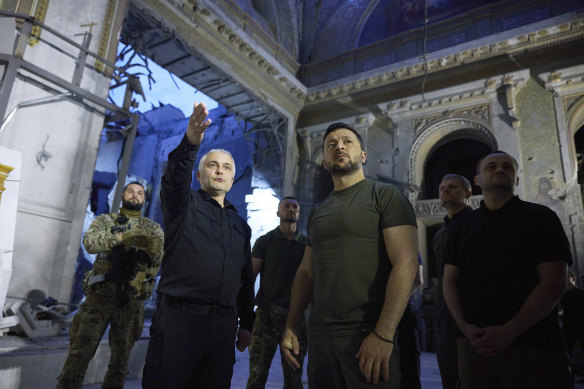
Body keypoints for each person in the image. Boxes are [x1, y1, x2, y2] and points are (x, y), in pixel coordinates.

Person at [281, 122, 419, 388]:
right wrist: (291, 324)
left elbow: (406, 263)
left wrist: (384, 333)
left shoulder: (385, 195)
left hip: (368, 334)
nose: (339, 146)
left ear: (363, 156)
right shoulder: (318, 211)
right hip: (322, 338)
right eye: (331, 144)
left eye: (347, 141)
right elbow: (307, 272)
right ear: (324, 161)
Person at [142, 102, 255, 389]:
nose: (219, 170)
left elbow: (243, 278)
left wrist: (247, 323)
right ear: (199, 175)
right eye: (212, 165)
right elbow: (174, 178)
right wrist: (191, 143)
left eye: (226, 167)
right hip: (179, 323)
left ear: (232, 178)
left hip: (222, 329)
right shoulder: (183, 205)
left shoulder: (241, 226)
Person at [443, 151, 573, 389]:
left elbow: (555, 282)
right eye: (491, 166)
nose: (500, 170)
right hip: (474, 347)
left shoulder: (541, 218)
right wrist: (464, 327)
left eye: (507, 167)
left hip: (533, 347)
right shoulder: (461, 226)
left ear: (517, 180)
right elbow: (450, 280)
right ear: (477, 180)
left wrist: (509, 331)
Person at [56, 182, 164, 389]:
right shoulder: (105, 220)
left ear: (145, 199)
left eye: (140, 193)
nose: (135, 195)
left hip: (131, 300)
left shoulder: (153, 228)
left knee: (120, 362)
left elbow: (158, 257)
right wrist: (121, 237)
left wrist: (149, 247)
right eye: (130, 191)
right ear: (122, 195)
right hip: (100, 296)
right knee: (79, 354)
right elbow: (90, 242)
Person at [246, 196, 308, 389]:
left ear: (299, 213)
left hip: (295, 317)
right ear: (278, 213)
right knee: (257, 375)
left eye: (294, 207)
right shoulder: (266, 241)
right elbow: (251, 276)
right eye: (286, 206)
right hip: (266, 316)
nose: (291, 209)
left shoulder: (307, 245)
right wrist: (245, 315)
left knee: (293, 379)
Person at [431, 174, 472, 389]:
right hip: (444, 317)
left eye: (452, 187)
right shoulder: (440, 234)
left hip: (471, 315)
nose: (445, 190)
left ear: (468, 194)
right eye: (442, 188)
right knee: (450, 374)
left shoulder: (477, 224)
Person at [560, 271, 584, 375]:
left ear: (573, 279)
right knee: (567, 351)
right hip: (569, 326)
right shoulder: (563, 295)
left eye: (568, 277)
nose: (566, 279)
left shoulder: (580, 293)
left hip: (580, 326)